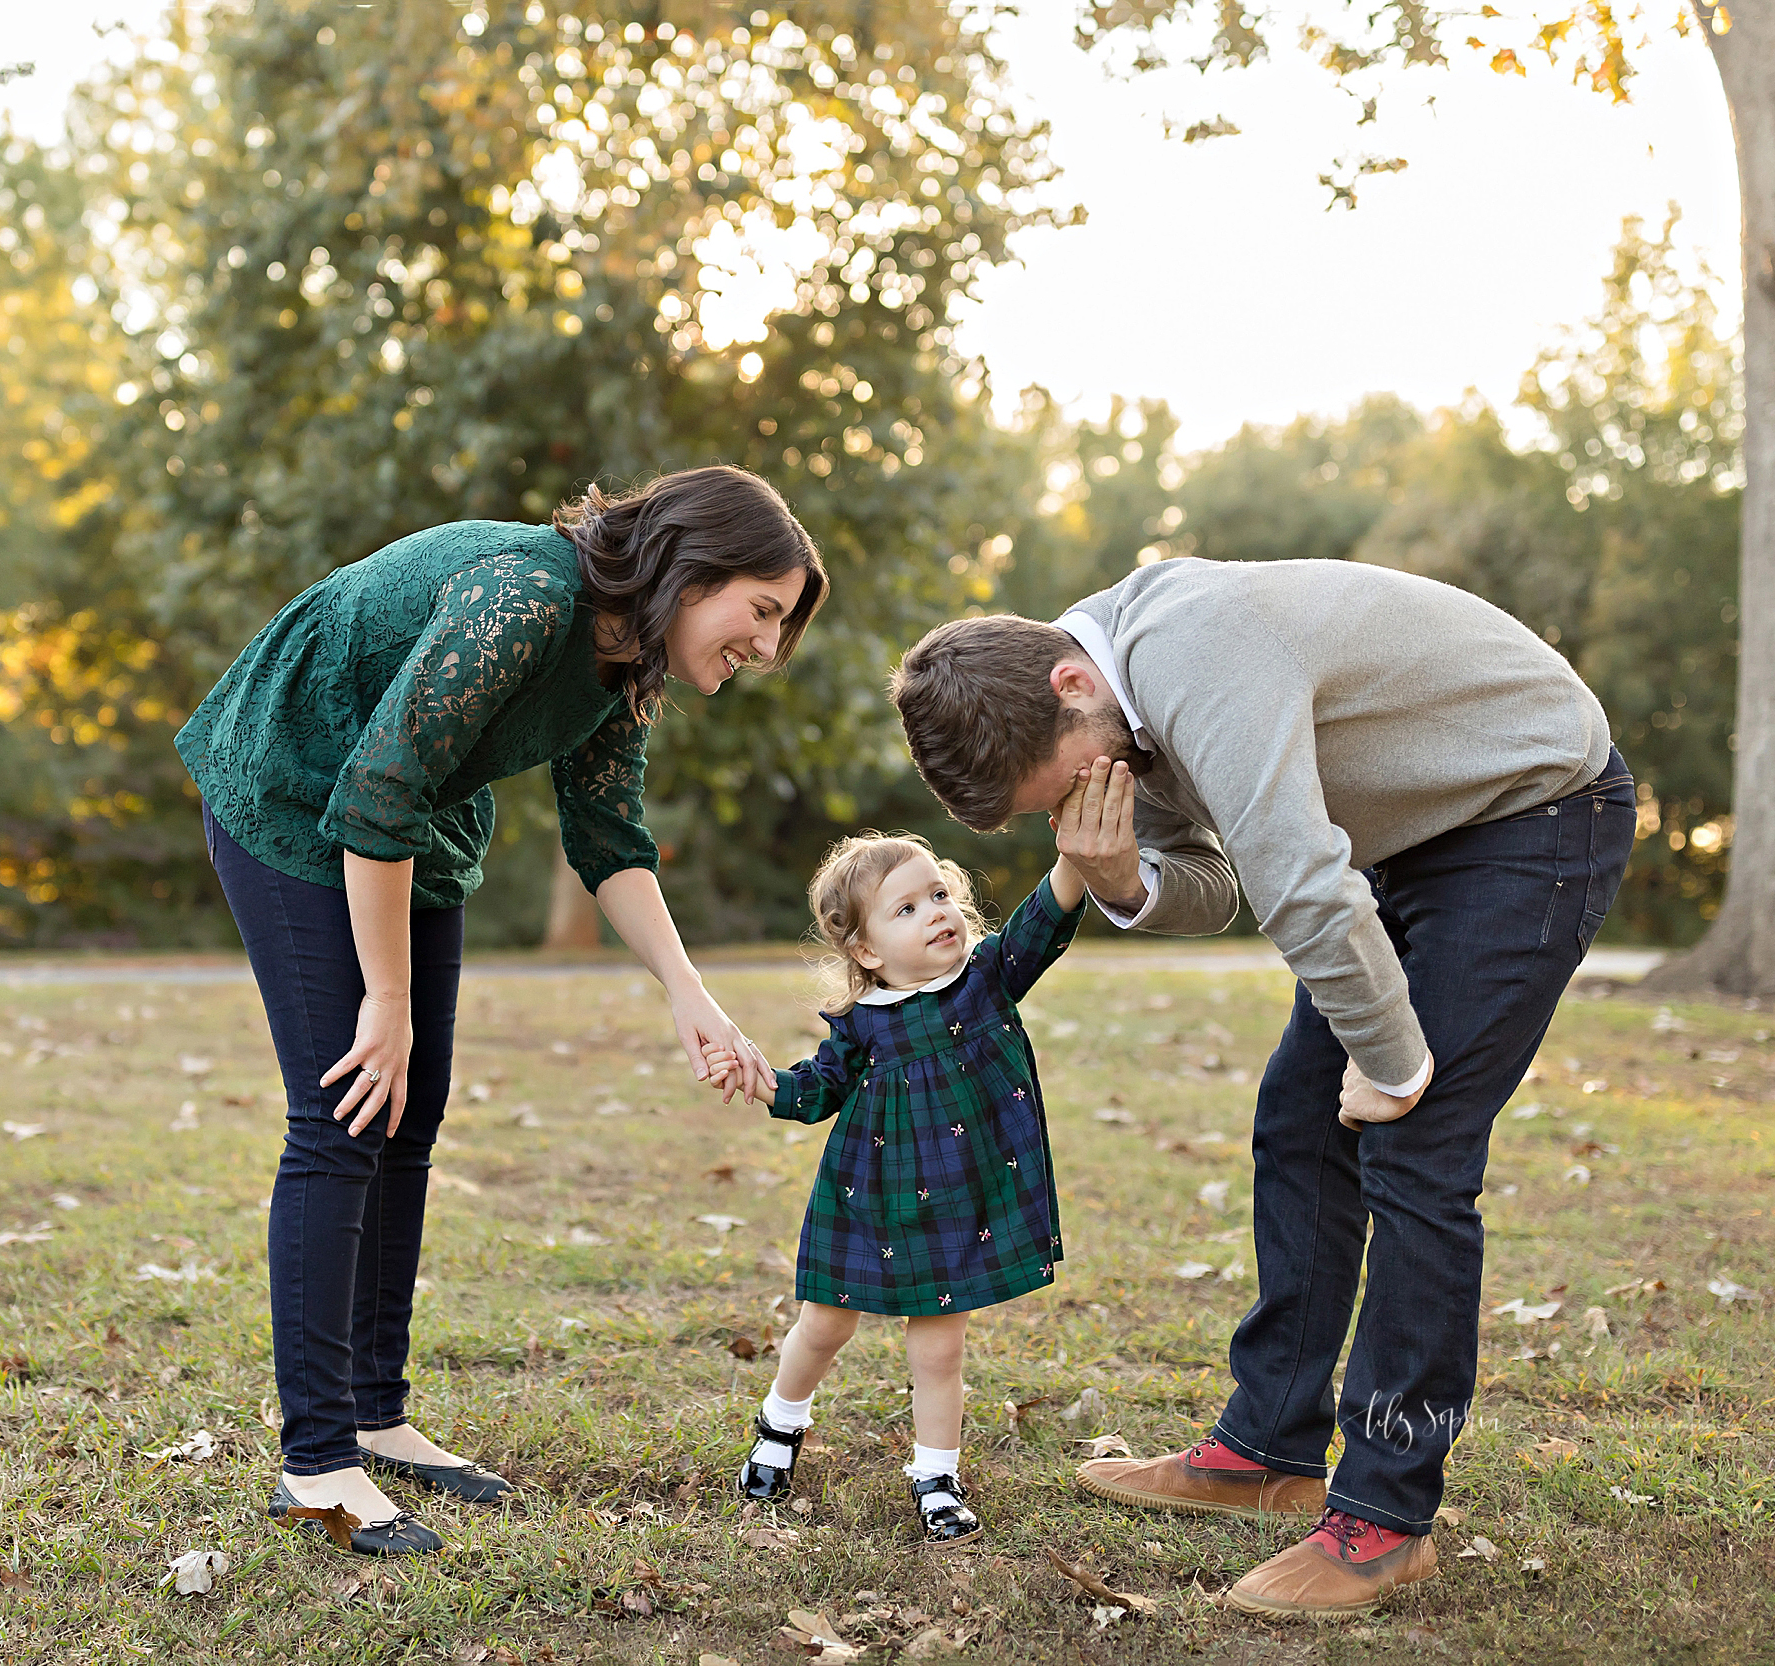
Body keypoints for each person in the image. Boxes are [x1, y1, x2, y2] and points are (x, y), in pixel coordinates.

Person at [891, 556, 1636, 1616]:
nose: (1076, 803)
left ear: (1067, 685)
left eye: (1059, 787)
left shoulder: (1200, 652)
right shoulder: (1103, 696)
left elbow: (1294, 880)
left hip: (1532, 812)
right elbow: (1218, 880)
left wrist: (1394, 1067)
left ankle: (1384, 1517)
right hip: (1408, 835)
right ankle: (1268, 1450)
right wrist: (1119, 877)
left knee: (1415, 1146)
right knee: (1298, 1122)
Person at [178, 466, 823, 1556]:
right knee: (344, 1107)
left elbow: (609, 841)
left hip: (403, 817)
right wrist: (385, 999)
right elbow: (373, 789)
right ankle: (316, 1460)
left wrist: (691, 997)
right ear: (691, 565)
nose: (765, 645)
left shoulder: (623, 660)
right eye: (760, 610)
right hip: (295, 784)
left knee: (411, 1110)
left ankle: (378, 1415)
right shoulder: (525, 599)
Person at [705, 770, 1133, 1547]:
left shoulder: (988, 982)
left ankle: (936, 1475)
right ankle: (781, 1420)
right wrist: (761, 1081)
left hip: (961, 1203)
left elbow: (1045, 917)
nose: (936, 912)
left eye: (938, 894)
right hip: (870, 1202)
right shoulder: (862, 1024)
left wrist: (1074, 852)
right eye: (907, 908)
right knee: (824, 1326)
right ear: (866, 949)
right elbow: (813, 1092)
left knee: (941, 1348)